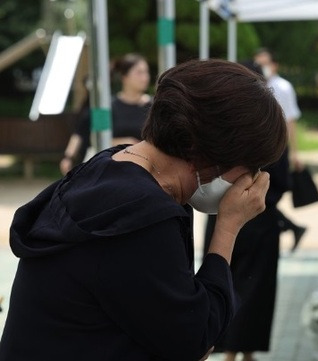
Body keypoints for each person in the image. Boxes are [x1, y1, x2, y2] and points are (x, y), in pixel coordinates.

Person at [0, 59, 288, 361]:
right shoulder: (142, 216)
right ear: (214, 153)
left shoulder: (108, 167)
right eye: (251, 168)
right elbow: (196, 342)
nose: (253, 181)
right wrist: (228, 226)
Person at [203, 60, 290, 361]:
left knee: (234, 285)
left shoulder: (219, 128)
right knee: (244, 290)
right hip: (251, 220)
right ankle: (237, 350)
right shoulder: (271, 128)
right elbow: (282, 181)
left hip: (237, 220)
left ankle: (235, 350)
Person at [59, 53, 152, 175]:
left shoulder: (153, 106)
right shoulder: (108, 107)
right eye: (139, 73)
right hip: (111, 170)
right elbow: (87, 133)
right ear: (125, 77)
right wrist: (68, 157)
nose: (145, 77)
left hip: (144, 170)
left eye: (146, 72)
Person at [253, 48, 307, 251]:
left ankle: (290, 226)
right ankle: (291, 226)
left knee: (269, 196)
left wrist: (294, 151)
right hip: (261, 149)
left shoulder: (282, 88)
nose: (262, 68)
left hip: (277, 149)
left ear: (274, 65)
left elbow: (290, 121)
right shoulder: (254, 86)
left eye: (265, 63)